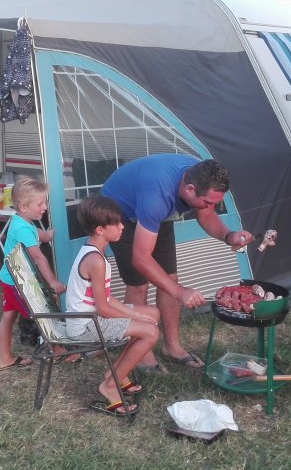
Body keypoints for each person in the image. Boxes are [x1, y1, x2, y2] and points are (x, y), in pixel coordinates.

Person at [101, 154, 254, 370]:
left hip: (153, 210)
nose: (210, 206)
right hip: (120, 211)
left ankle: (171, 346)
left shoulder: (200, 176)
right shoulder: (157, 197)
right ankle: (140, 351)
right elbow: (141, 258)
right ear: (189, 189)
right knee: (139, 284)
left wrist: (229, 236)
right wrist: (181, 292)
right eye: (208, 202)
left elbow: (206, 215)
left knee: (169, 278)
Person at [67, 196, 160, 417]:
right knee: (151, 332)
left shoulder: (93, 251)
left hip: (93, 316)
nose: (122, 226)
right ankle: (109, 386)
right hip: (86, 326)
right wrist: (136, 318)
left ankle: (115, 372)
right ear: (100, 230)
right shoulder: (96, 261)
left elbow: (107, 298)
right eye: (116, 223)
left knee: (152, 313)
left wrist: (136, 314)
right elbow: (103, 309)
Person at [0, 176, 66, 371]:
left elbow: (37, 234)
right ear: (23, 206)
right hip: (17, 281)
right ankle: (56, 350)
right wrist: (52, 281)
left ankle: (4, 358)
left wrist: (48, 235)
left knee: (8, 316)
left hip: (9, 278)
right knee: (42, 311)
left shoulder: (21, 221)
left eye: (45, 203)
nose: (44, 208)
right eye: (40, 204)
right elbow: (38, 257)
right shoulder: (22, 228)